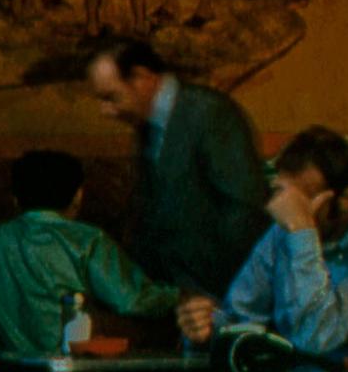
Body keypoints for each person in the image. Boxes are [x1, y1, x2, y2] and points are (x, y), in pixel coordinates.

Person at [183, 126, 348, 360]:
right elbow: (242, 320)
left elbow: (316, 337)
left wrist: (303, 234)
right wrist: (208, 329)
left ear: (346, 201)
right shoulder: (283, 233)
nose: (288, 209)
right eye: (284, 195)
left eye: (301, 200)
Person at [0, 150, 182, 359]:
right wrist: (185, 297)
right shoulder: (87, 240)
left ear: (15, 199)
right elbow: (134, 300)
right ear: (78, 195)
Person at [83, 36, 269, 299]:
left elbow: (244, 210)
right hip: (177, 297)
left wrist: (216, 296)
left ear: (142, 78)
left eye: (111, 97)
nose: (106, 111)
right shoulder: (148, 124)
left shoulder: (209, 114)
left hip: (219, 298)